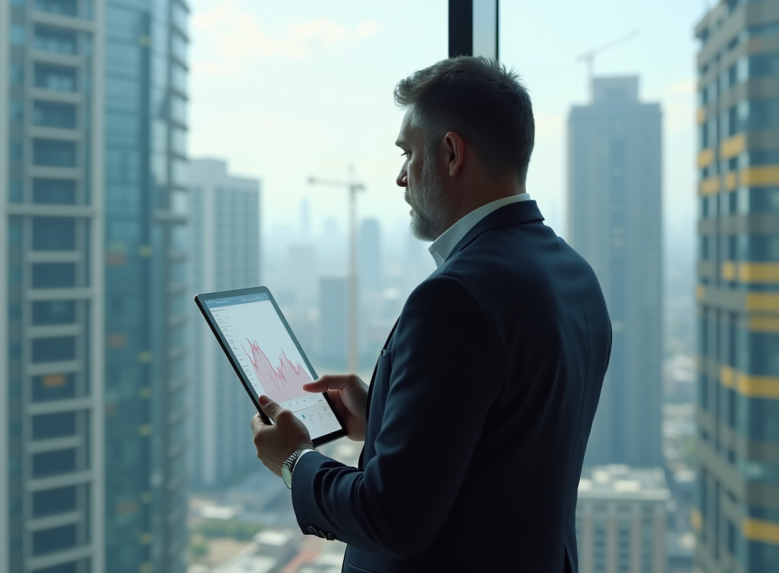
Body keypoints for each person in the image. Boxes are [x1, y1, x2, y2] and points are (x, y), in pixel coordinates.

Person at [250, 56, 612, 573]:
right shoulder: (576, 277)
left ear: (450, 153)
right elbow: (509, 444)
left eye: (407, 153)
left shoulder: (454, 297)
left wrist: (294, 462)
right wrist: (380, 416)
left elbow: (390, 518)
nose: (400, 178)